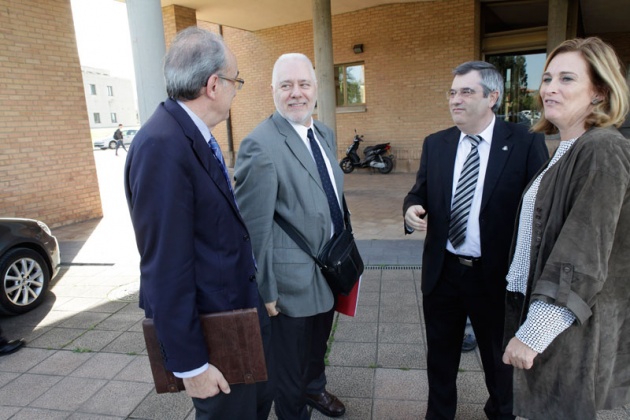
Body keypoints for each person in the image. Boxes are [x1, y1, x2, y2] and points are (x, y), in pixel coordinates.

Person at [124, 27, 272, 419]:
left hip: (237, 314)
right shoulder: (162, 145)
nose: (236, 90)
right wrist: (192, 367)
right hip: (212, 339)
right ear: (213, 84)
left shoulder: (192, 133)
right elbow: (164, 268)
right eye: (236, 81)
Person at [403, 61, 549, 419]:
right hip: (444, 275)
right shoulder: (436, 144)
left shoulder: (526, 143)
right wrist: (412, 210)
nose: (455, 100)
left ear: (492, 97)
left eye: (466, 92)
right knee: (440, 362)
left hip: (495, 279)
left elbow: (541, 212)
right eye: (452, 92)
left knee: (500, 367)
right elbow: (417, 192)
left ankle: (500, 413)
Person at [502, 37, 630, 419]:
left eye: (567, 78)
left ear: (599, 92)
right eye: (546, 77)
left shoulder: (602, 149)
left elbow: (584, 254)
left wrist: (534, 333)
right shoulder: (566, 149)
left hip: (570, 324)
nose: (549, 88)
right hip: (548, 313)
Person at [234, 53, 346, 419]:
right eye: (286, 85)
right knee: (288, 376)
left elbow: (333, 194)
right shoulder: (259, 145)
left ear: (316, 89)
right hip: (288, 286)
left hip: (328, 271)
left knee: (316, 351)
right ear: (272, 91)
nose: (295, 93)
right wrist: (265, 292)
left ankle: (316, 390)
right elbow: (252, 231)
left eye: (303, 84)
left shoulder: (324, 133)